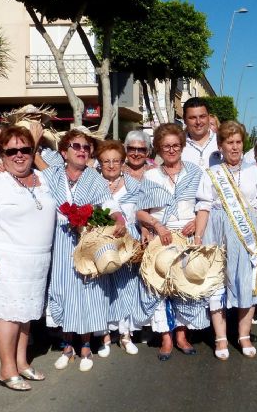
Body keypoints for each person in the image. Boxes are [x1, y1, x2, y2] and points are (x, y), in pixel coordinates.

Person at [0, 126, 56, 391]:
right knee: (8, 314)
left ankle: (22, 363)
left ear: (33, 152)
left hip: (36, 261)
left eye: (25, 149)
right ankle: (6, 368)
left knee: (26, 313)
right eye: (12, 151)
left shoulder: (43, 179)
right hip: (5, 261)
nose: (19, 155)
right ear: (2, 154)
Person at [42, 129, 126, 372]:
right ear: (64, 152)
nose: (82, 151)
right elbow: (28, 181)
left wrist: (119, 220)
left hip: (87, 241)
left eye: (86, 148)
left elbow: (110, 205)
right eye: (76, 146)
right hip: (59, 241)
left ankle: (86, 345)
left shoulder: (95, 178)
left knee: (88, 290)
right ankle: (67, 346)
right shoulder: (50, 174)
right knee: (63, 289)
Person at [195, 120, 257, 359]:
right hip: (217, 231)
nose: (234, 147)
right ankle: (220, 337)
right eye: (229, 142)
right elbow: (204, 207)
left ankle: (243, 334)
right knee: (217, 283)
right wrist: (199, 238)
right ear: (220, 145)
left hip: (247, 232)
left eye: (238, 142)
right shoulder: (212, 174)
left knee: (247, 281)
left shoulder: (254, 172)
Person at [137, 123, 209, 361]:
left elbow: (204, 205)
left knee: (185, 287)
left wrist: (197, 224)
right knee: (160, 289)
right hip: (162, 236)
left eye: (175, 145)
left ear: (182, 146)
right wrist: (157, 226)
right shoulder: (150, 175)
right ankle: (166, 338)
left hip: (188, 235)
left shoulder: (195, 173)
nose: (171, 150)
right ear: (158, 148)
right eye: (166, 146)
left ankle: (181, 334)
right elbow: (140, 212)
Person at [95, 140, 147, 357]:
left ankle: (125, 335)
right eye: (106, 161)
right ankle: (105, 335)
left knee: (126, 288)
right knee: (104, 289)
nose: (111, 165)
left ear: (122, 162)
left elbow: (143, 210)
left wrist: (145, 229)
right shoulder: (93, 183)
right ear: (99, 163)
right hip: (101, 244)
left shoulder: (134, 184)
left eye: (116, 160)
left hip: (127, 242)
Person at [181, 97, 221, 170]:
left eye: (202, 116)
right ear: (184, 120)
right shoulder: (177, 145)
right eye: (192, 118)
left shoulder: (222, 142)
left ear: (208, 117)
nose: (198, 122)